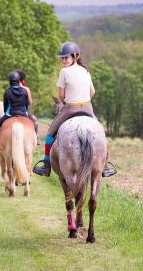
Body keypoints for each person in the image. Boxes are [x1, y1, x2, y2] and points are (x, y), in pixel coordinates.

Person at [33, 41, 117, 177]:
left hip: (70, 109)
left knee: (49, 133)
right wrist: (83, 100)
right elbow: (93, 91)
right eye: (62, 58)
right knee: (101, 132)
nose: (63, 60)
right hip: (88, 108)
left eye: (66, 57)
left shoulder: (64, 72)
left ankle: (46, 164)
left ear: (75, 56)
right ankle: (106, 166)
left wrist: (70, 100)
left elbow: (60, 95)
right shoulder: (86, 70)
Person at [0, 70, 32, 154]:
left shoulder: (7, 92)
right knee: (33, 124)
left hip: (10, 114)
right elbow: (26, 105)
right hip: (23, 114)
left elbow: (6, 106)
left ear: (10, 82)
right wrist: (24, 112)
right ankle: (35, 140)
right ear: (18, 81)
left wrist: (6, 112)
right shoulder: (25, 91)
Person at [15, 69, 40, 144]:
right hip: (24, 111)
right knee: (35, 122)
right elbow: (30, 102)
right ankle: (35, 137)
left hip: (11, 111)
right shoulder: (26, 89)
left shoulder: (11, 88)